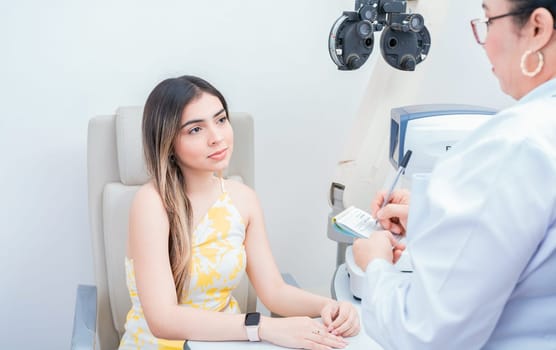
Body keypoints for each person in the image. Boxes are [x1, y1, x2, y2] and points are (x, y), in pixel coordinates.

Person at [352, 0, 556, 348]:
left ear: (537, 28)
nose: (484, 40)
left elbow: (426, 336)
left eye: (489, 20)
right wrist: (431, 217)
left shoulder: (514, 143)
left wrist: (375, 267)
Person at [118, 75, 360, 350]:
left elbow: (274, 292)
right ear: (168, 143)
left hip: (229, 343)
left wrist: (330, 306)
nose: (217, 137)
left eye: (220, 120)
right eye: (195, 130)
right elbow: (163, 319)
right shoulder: (152, 203)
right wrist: (263, 327)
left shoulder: (242, 199)